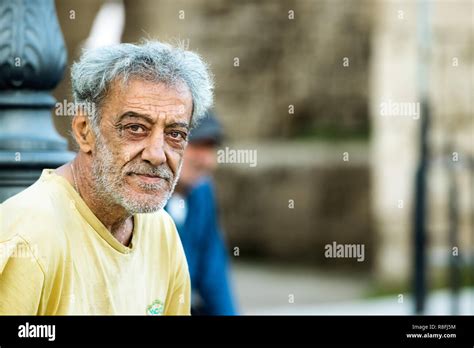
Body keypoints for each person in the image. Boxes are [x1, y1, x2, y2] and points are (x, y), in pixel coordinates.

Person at [0, 41, 214, 315]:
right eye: (135, 128)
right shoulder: (27, 237)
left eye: (175, 134)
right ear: (85, 131)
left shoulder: (161, 230)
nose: (157, 154)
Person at [166, 112, 237, 315]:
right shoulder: (145, 196)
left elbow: (214, 272)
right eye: (197, 146)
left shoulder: (202, 191)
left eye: (211, 148)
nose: (207, 160)